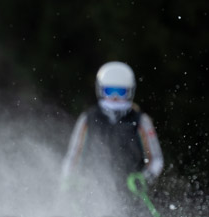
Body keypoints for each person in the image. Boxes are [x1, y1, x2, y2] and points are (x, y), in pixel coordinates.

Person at [62, 61, 164, 194]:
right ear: (101, 90)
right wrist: (68, 180)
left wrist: (144, 179)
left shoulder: (140, 121)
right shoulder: (88, 119)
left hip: (131, 192)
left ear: (129, 92)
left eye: (120, 92)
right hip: (92, 191)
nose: (115, 97)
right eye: (109, 91)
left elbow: (156, 160)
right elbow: (73, 155)